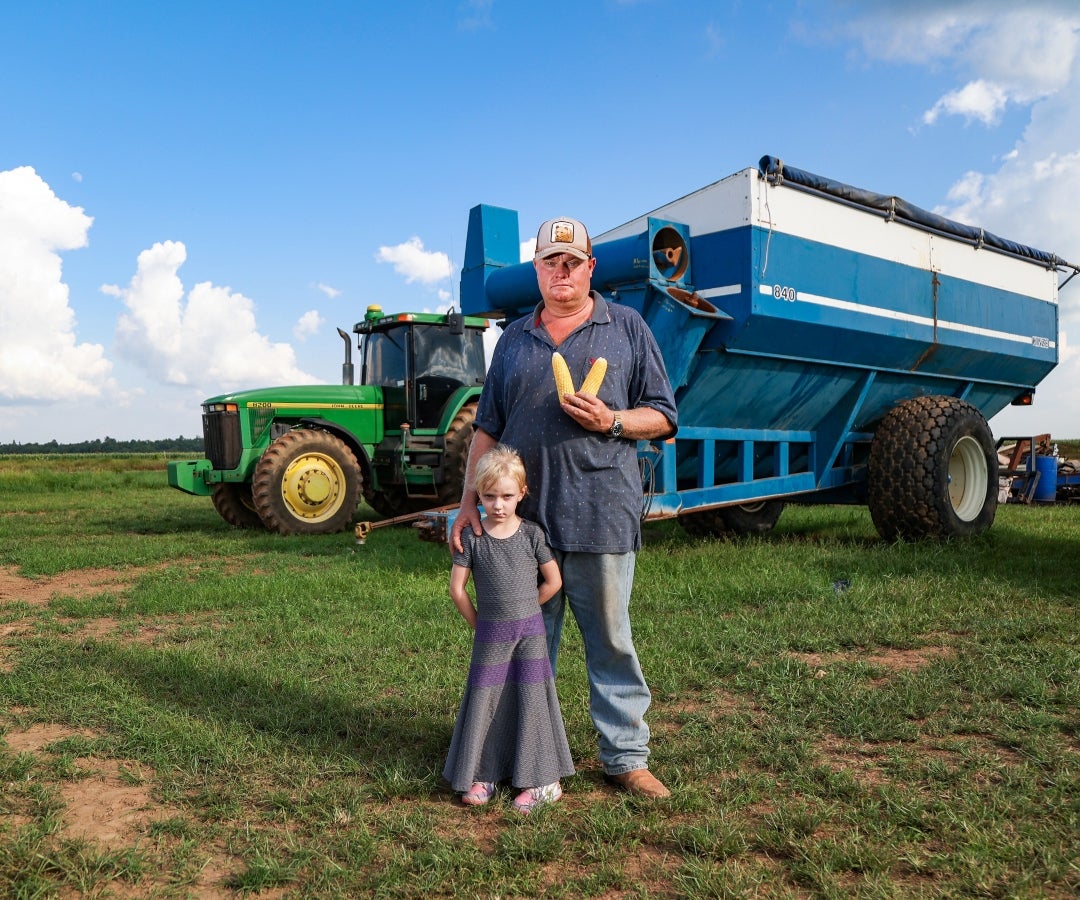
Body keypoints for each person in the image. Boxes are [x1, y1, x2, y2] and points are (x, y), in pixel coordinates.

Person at [451, 216, 678, 799]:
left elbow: (663, 416)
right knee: (524, 646)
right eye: (550, 261)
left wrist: (613, 420)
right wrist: (468, 501)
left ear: (590, 268)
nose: (561, 271)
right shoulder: (514, 339)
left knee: (611, 643)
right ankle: (520, 756)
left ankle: (625, 757)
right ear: (537, 270)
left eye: (572, 261)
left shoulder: (626, 328)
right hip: (523, 525)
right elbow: (488, 427)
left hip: (602, 514)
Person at [443, 444, 574, 814]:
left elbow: (554, 581)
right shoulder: (473, 538)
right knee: (486, 699)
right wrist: (481, 624)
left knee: (531, 699)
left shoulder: (531, 535)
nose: (498, 505)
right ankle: (484, 773)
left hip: (530, 637)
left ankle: (543, 782)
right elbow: (456, 590)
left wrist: (528, 609)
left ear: (522, 493)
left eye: (506, 496)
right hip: (491, 638)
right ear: (478, 495)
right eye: (489, 497)